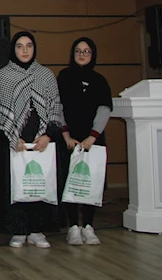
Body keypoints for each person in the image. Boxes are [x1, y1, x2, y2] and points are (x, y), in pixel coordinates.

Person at [0, 31, 64, 249]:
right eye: (20, 46)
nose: (25, 50)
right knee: (16, 184)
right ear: (13, 49)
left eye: (29, 46)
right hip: (15, 140)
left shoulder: (46, 75)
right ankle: (18, 230)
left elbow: (55, 108)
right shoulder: (3, 76)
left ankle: (36, 230)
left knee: (39, 182)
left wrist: (48, 135)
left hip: (41, 139)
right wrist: (12, 137)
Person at [57, 37, 112, 246]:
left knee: (91, 182)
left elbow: (104, 110)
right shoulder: (64, 77)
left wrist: (92, 137)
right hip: (69, 140)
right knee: (70, 181)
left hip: (93, 141)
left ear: (93, 55)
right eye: (78, 51)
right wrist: (66, 135)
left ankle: (88, 226)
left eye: (86, 51)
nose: (82, 55)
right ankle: (73, 227)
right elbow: (57, 107)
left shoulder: (100, 80)